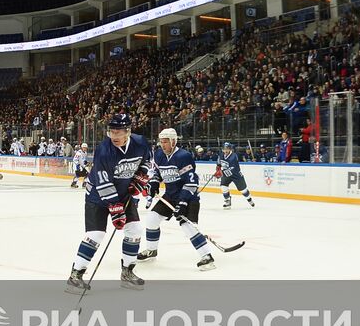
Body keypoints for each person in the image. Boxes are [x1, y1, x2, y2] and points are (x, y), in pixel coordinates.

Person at [66, 113, 149, 291]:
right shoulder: (104, 150)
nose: (114, 136)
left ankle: (127, 272)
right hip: (97, 196)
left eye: (118, 132)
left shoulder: (141, 142)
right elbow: (103, 182)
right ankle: (76, 275)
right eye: (112, 132)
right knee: (96, 234)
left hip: (124, 194)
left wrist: (140, 177)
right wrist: (115, 207)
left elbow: (146, 161)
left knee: (134, 229)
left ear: (128, 131)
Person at [136, 128, 220, 270]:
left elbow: (191, 183)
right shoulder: (159, 155)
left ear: (173, 141)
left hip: (188, 196)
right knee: (152, 218)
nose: (162, 145)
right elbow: (158, 173)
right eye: (161, 142)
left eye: (165, 142)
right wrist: (154, 183)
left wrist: (182, 202)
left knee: (187, 226)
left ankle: (207, 257)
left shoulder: (183, 156)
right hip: (169, 196)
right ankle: (152, 250)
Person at [215, 141, 255, 208]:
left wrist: (220, 173)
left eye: (227, 148)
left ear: (230, 149)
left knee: (243, 190)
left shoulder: (233, 156)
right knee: (223, 186)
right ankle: (227, 201)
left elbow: (232, 169)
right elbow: (219, 163)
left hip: (236, 174)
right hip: (226, 174)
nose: (226, 150)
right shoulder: (221, 154)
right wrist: (218, 168)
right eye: (224, 148)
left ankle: (249, 199)